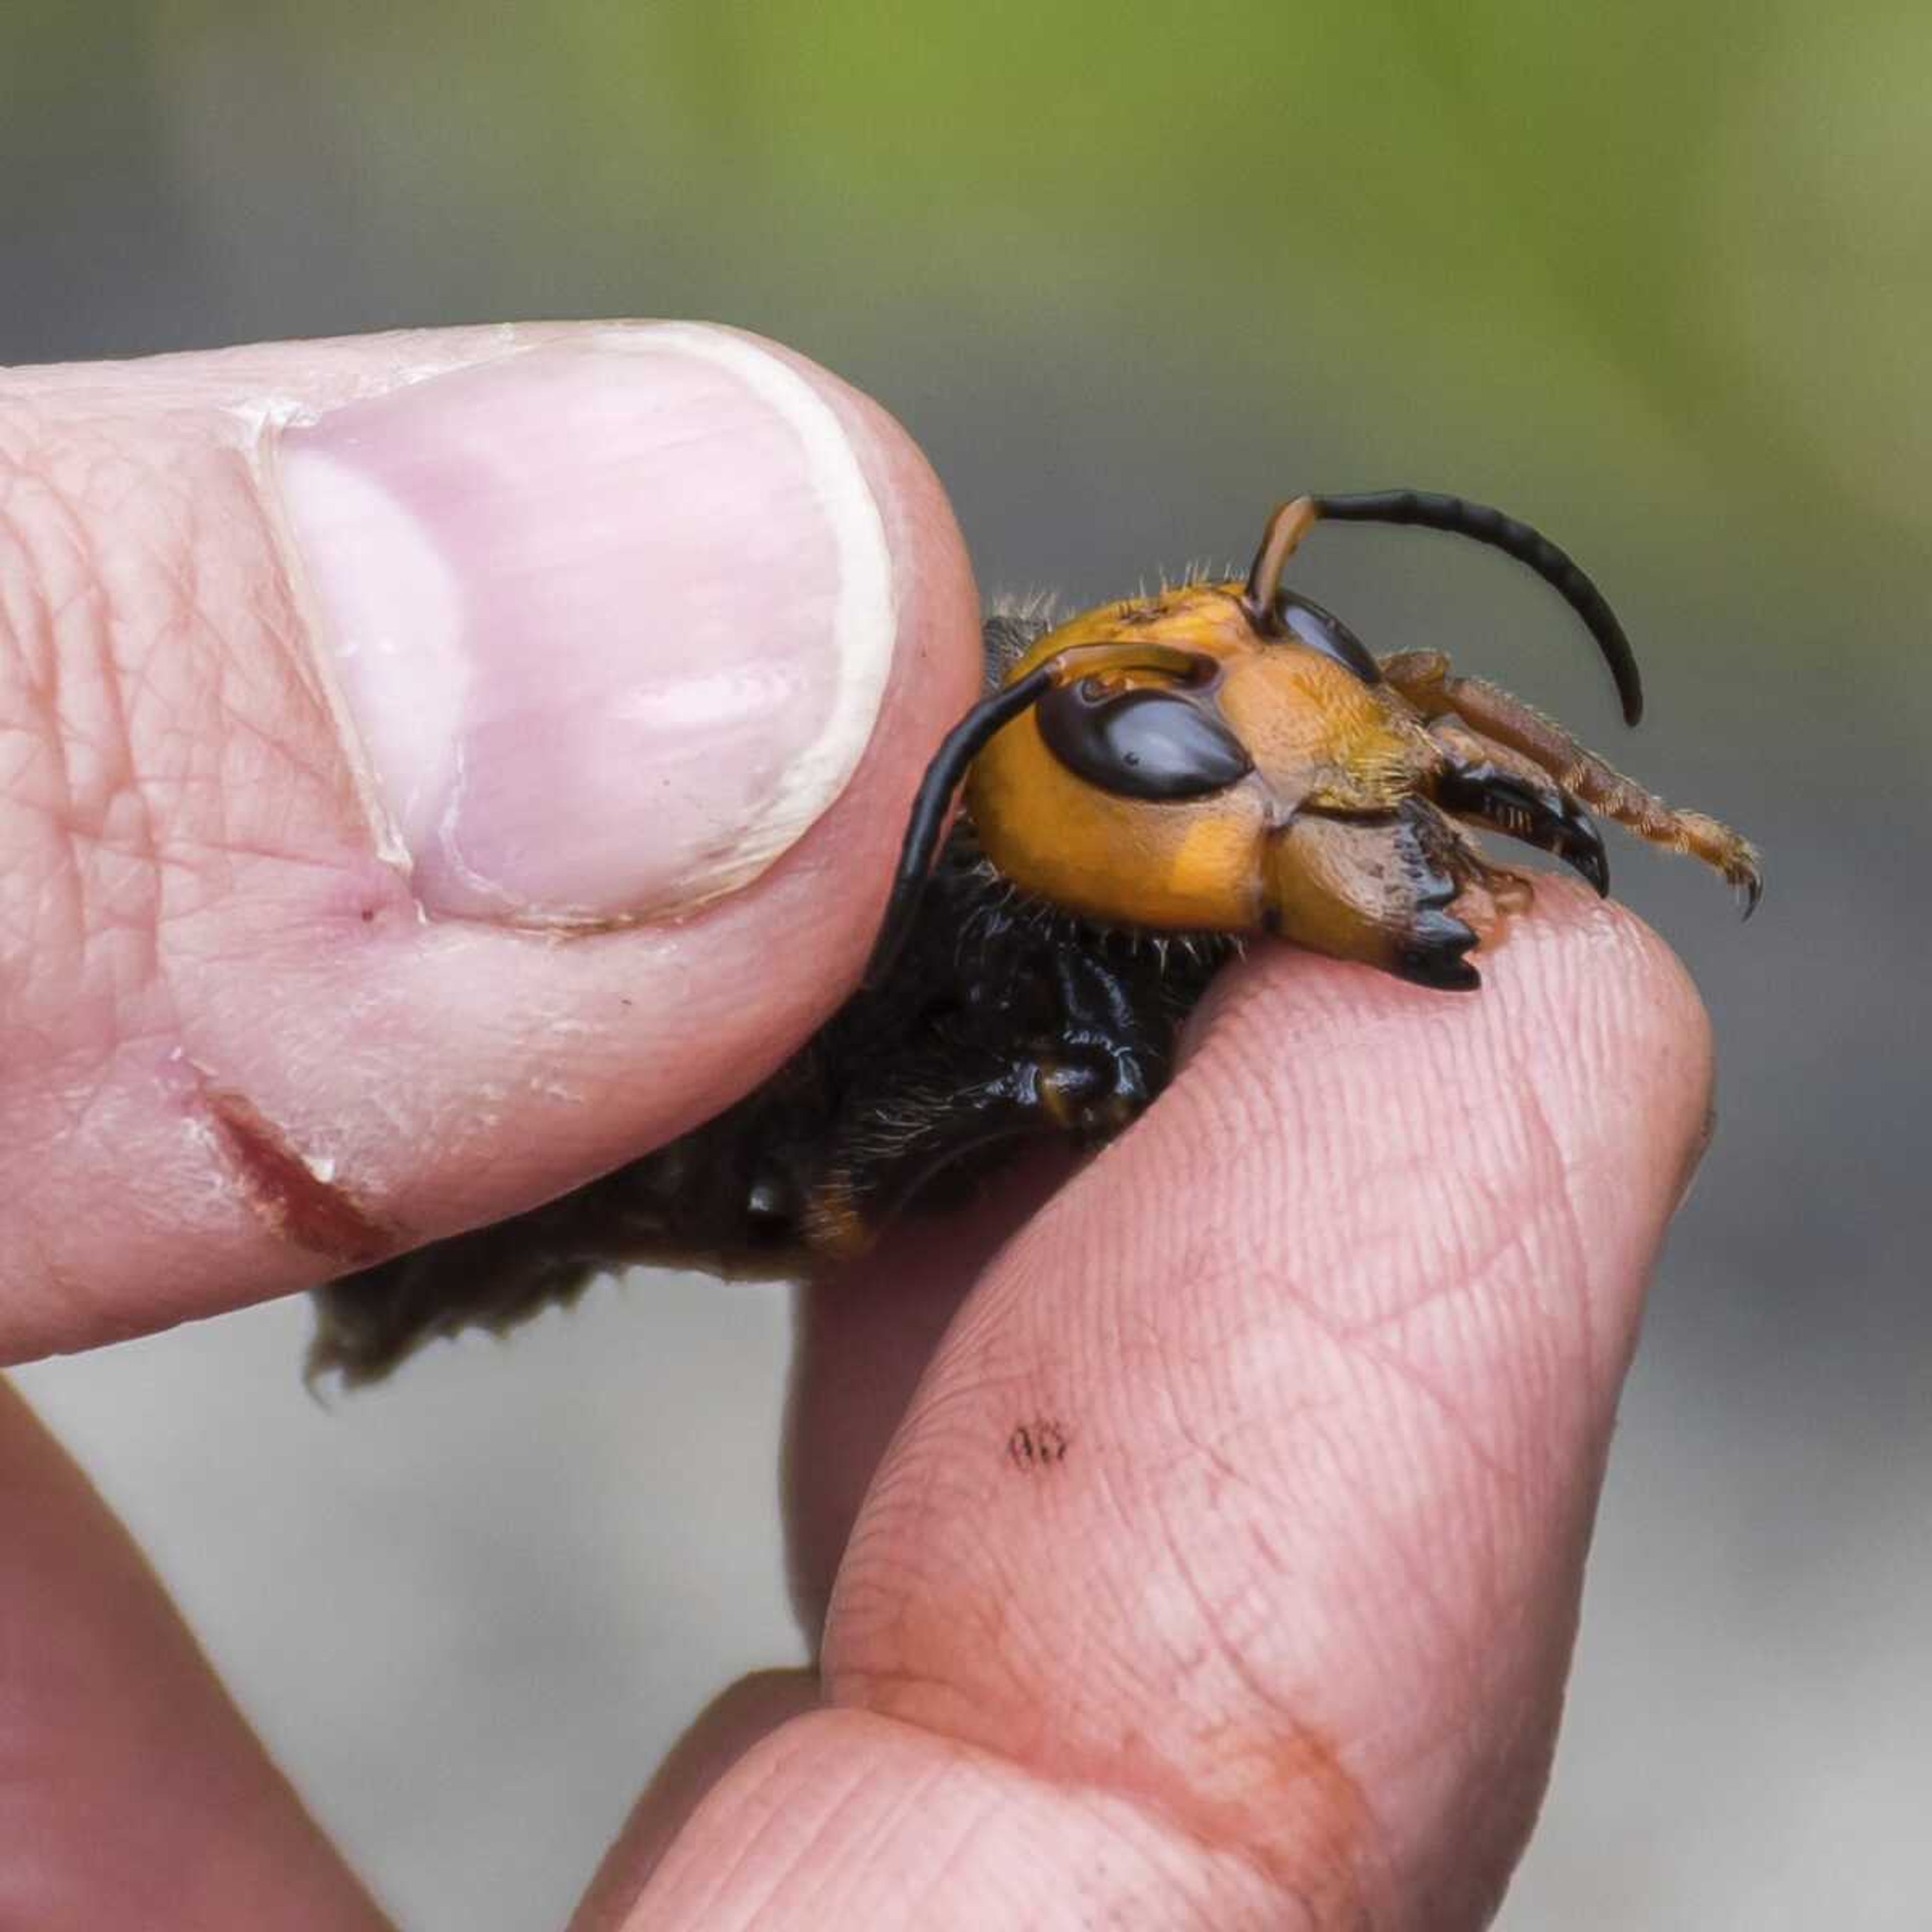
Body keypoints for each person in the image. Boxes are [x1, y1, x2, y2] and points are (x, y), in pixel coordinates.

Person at [0, 323, 1712, 1929]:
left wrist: (1606, 799)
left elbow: (1391, 685)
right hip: (663, 1163)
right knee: (923, 1130)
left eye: (1302, 671)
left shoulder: (1175, 831)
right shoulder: (968, 915)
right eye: (1211, 747)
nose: (1321, 738)